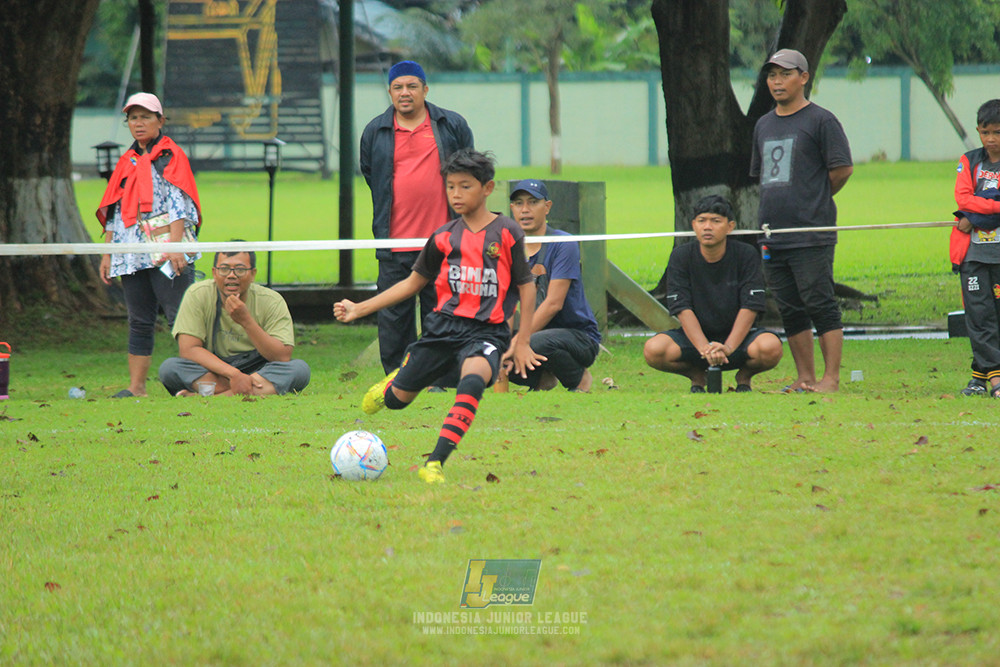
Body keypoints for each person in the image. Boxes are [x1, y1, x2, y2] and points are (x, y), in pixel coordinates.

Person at [334, 149, 543, 484]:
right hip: (442, 329)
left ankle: (434, 463)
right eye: (450, 187)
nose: (456, 194)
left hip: (487, 332)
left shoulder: (507, 232)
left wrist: (522, 341)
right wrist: (360, 308)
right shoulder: (443, 236)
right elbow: (411, 284)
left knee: (473, 380)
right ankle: (392, 384)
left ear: (487, 188)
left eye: (465, 186)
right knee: (396, 402)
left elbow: (527, 288)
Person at [359, 60, 475, 376]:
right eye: (398, 87)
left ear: (425, 89)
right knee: (394, 320)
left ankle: (442, 380)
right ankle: (398, 382)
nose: (405, 93)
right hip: (394, 245)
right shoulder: (375, 130)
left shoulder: (451, 125)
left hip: (444, 244)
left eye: (412, 86)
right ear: (390, 92)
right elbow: (372, 175)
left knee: (443, 316)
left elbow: (470, 174)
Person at [750, 48, 853, 393]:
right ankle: (805, 377)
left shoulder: (821, 121)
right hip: (772, 232)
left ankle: (831, 379)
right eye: (771, 75)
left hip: (811, 232)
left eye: (785, 74)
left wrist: (814, 200)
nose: (777, 82)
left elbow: (841, 170)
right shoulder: (763, 124)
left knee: (819, 302)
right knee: (790, 308)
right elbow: (761, 176)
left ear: (804, 78)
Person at [97, 92, 201, 399]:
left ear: (160, 121)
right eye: (133, 117)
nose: (138, 123)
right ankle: (136, 388)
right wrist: (108, 252)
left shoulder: (170, 155)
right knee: (139, 319)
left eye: (145, 116)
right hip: (130, 250)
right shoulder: (127, 161)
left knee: (180, 318)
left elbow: (179, 203)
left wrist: (176, 246)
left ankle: (194, 384)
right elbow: (113, 208)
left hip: (167, 245)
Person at [643, 195, 783, 392]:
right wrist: (704, 348)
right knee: (653, 350)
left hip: (739, 338)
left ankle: (744, 376)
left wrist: (728, 347)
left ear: (730, 226)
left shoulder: (746, 254)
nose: (707, 227)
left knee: (771, 347)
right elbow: (681, 307)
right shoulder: (681, 256)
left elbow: (750, 306)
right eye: (702, 221)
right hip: (694, 339)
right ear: (693, 225)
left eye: (716, 221)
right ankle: (697, 375)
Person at [158, 248, 310, 396]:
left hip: (259, 369)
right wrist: (234, 375)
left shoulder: (271, 300)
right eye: (224, 269)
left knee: (299, 370)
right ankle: (251, 388)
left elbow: (282, 356)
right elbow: (189, 349)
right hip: (215, 369)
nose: (231, 275)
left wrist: (246, 321)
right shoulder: (198, 294)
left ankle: (217, 395)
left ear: (253, 274)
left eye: (240, 269)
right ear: (214, 272)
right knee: (170, 368)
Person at [502, 179, 601, 392]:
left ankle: (579, 380)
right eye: (519, 203)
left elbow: (554, 303)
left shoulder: (563, 243)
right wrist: (503, 344)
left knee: (533, 343)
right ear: (512, 209)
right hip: (538, 332)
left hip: (578, 336)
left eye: (533, 202)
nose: (525, 210)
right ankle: (542, 380)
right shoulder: (508, 247)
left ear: (547, 207)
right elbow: (507, 303)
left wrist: (519, 341)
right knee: (494, 351)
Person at [951, 99, 1000, 398]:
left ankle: (979, 377)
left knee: (996, 314)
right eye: (985, 132)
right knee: (979, 315)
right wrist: (992, 206)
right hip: (972, 256)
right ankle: (995, 379)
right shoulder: (969, 161)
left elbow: (971, 206)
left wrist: (974, 217)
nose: (991, 139)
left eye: (997, 132)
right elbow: (963, 198)